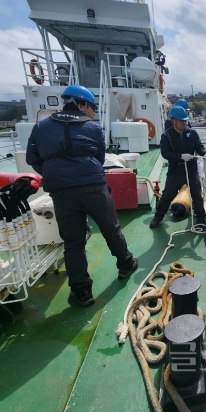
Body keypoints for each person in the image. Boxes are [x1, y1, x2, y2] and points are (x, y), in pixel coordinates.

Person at [26, 85, 138, 307]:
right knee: (110, 228)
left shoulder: (40, 127)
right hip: (92, 186)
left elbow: (33, 158)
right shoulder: (92, 128)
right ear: (81, 104)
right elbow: (99, 156)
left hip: (61, 191)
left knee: (73, 242)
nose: (93, 113)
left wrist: (55, 173)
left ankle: (81, 292)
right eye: (92, 108)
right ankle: (125, 265)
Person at [150, 105, 206, 228]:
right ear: (173, 121)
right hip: (175, 172)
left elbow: (199, 146)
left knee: (197, 195)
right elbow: (165, 153)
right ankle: (158, 217)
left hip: (191, 170)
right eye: (182, 120)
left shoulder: (192, 133)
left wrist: (205, 153)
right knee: (167, 195)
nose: (185, 123)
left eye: (186, 120)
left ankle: (201, 218)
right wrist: (180, 156)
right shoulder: (166, 136)